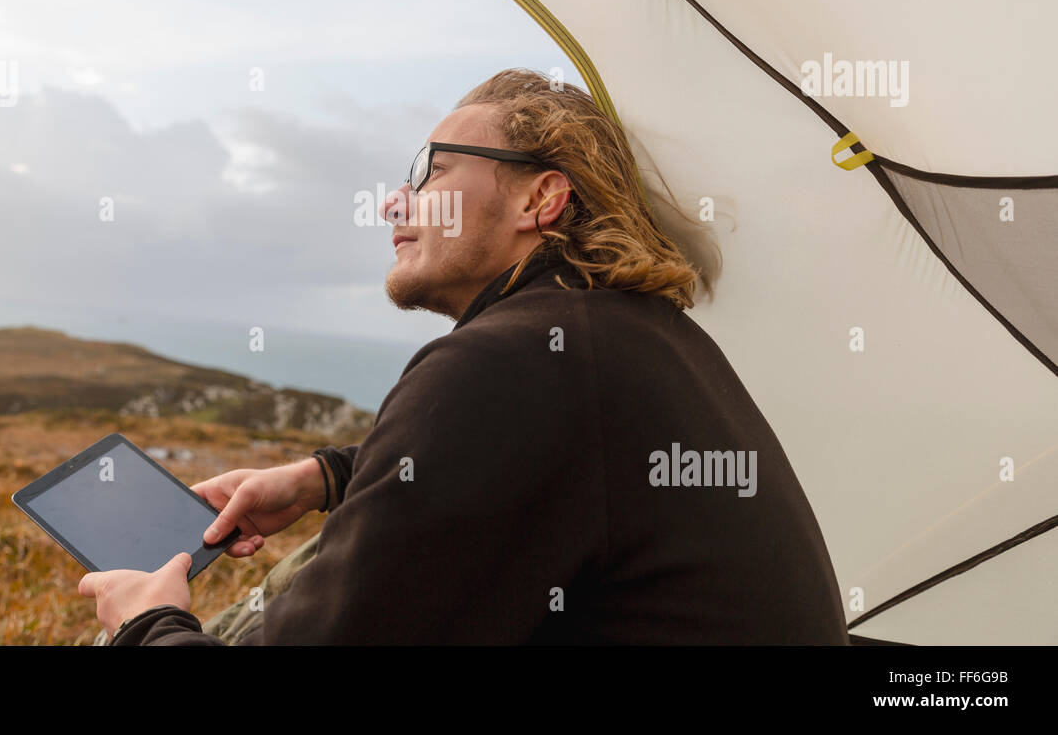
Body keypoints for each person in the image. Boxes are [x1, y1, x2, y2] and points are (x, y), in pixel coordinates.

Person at [79, 68, 850, 645]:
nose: (395, 202)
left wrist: (148, 625)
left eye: (434, 169)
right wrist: (328, 478)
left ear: (539, 200)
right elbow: (532, 469)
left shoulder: (507, 364)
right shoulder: (626, 335)